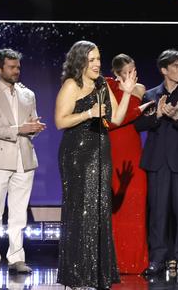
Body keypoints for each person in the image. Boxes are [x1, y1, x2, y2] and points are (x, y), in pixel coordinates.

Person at [54, 40, 137, 289]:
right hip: (76, 154)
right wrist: (89, 113)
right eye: (92, 60)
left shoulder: (101, 85)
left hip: (100, 151)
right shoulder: (72, 85)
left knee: (99, 211)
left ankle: (96, 274)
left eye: (99, 59)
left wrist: (128, 93)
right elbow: (60, 121)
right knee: (81, 212)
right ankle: (77, 275)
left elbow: (116, 118)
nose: (97, 64)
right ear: (80, 61)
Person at [0, 49, 46, 275]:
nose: (17, 71)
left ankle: (16, 257)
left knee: (19, 212)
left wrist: (34, 129)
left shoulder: (28, 94)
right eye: (11, 67)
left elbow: (30, 125)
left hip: (24, 158)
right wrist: (19, 129)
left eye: (18, 67)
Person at [135, 49, 178, 276]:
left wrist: (177, 118)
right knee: (158, 213)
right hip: (158, 162)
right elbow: (138, 125)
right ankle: (157, 258)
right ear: (164, 70)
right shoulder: (150, 95)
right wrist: (158, 115)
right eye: (176, 66)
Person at [106, 54, 150, 274]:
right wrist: (136, 111)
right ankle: (112, 260)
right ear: (116, 73)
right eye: (127, 71)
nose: (133, 74)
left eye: (134, 69)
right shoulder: (106, 86)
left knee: (134, 204)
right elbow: (110, 121)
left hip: (132, 152)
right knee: (114, 207)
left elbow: (125, 118)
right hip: (112, 151)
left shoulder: (139, 88)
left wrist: (142, 111)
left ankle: (134, 261)